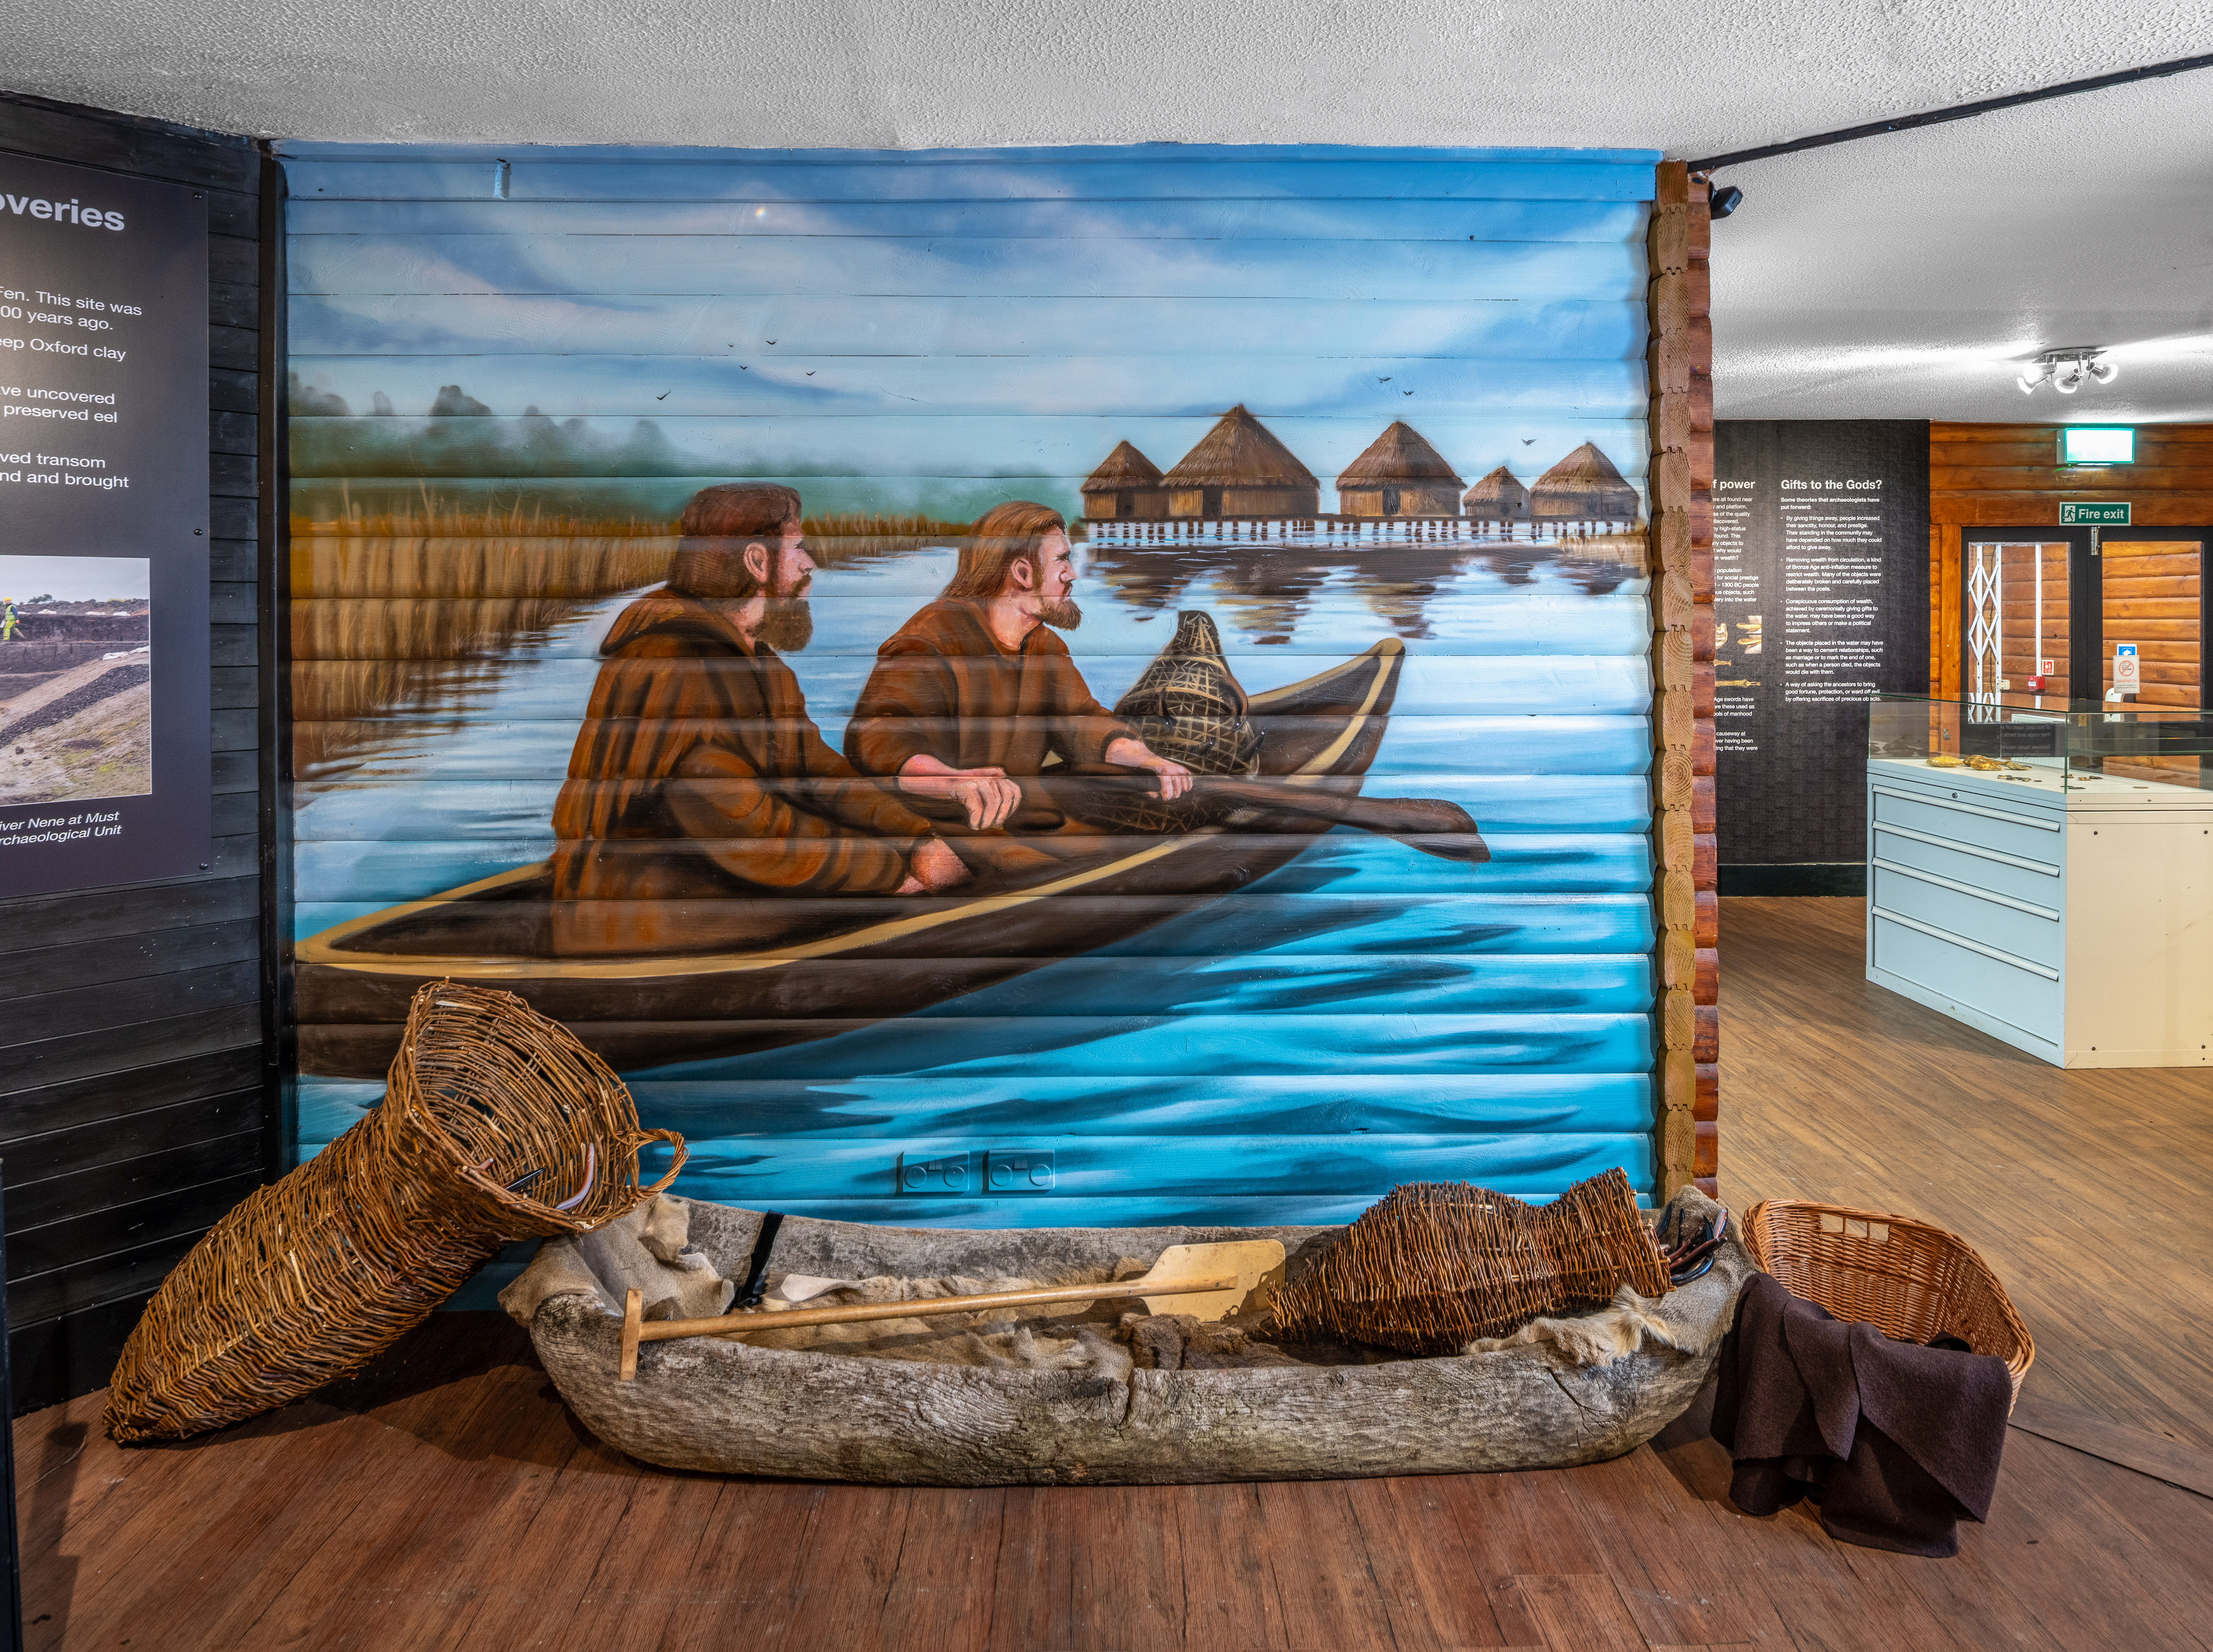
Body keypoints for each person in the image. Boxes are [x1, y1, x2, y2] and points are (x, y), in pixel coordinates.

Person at [549, 482, 968, 956]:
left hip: (707, 884)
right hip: (636, 917)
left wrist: (914, 837)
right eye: (798, 549)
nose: (810, 564)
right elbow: (745, 826)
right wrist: (890, 870)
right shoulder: (674, 663)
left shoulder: (760, 665)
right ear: (756, 561)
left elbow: (818, 774)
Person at [843, 501, 1191, 855]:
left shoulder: (1044, 646)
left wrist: (1145, 759)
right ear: (1023, 574)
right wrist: (953, 782)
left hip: (1027, 818)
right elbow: (879, 739)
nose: (1072, 574)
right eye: (1062, 561)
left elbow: (1081, 722)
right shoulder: (931, 638)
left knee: (1115, 852)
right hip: (946, 832)